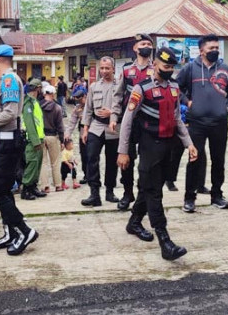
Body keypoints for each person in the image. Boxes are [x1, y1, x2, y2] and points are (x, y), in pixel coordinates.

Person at [117, 47, 198, 261]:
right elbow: (127, 121)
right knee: (155, 192)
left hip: (169, 145)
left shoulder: (174, 87)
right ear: (155, 65)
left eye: (172, 67)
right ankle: (165, 241)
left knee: (149, 187)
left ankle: (134, 222)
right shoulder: (141, 89)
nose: (169, 70)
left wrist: (188, 143)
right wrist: (123, 151)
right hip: (149, 146)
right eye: (165, 67)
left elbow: (177, 118)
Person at [0, 44, 38, 255]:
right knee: (3, 191)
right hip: (2, 141)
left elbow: (10, 113)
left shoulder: (9, 80)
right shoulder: (5, 81)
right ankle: (10, 232)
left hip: (6, 143)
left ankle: (24, 230)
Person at [176, 34, 228, 213]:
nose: (215, 51)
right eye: (211, 49)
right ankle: (189, 197)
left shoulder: (225, 69)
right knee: (194, 158)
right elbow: (176, 87)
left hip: (219, 123)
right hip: (197, 122)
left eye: (217, 48)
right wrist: (187, 101)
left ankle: (217, 195)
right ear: (202, 50)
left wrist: (227, 107)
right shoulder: (190, 68)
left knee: (219, 160)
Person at [112, 33, 154, 211]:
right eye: (143, 44)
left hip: (148, 122)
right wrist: (114, 116)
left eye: (149, 44)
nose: (147, 47)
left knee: (147, 161)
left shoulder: (156, 69)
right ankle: (127, 193)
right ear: (136, 48)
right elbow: (118, 95)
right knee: (126, 158)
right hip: (129, 122)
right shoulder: (127, 70)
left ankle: (143, 193)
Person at [80, 56, 122, 207]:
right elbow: (88, 109)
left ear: (113, 69)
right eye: (102, 68)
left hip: (113, 128)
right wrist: (85, 129)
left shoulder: (120, 86)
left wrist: (112, 113)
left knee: (112, 161)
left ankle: (109, 192)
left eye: (107, 68)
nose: (104, 71)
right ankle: (94, 193)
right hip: (96, 127)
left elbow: (125, 107)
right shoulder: (94, 86)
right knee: (91, 158)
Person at [21, 79, 45, 200]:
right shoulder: (28, 103)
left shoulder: (35, 102)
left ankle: (33, 187)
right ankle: (26, 189)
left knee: (37, 164)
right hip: (31, 140)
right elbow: (29, 123)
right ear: (36, 89)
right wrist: (35, 141)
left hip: (39, 138)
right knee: (32, 164)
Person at [39, 84, 65, 192]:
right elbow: (60, 126)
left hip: (41, 136)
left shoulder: (38, 106)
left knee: (43, 162)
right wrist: (62, 140)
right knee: (55, 162)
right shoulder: (57, 108)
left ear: (44, 93)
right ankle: (58, 185)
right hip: (53, 136)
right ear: (53, 94)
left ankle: (45, 186)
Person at [64, 86, 87, 183]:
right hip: (82, 132)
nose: (79, 102)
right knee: (84, 154)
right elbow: (72, 122)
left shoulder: (92, 105)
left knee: (93, 155)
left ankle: (93, 176)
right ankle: (86, 175)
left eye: (80, 99)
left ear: (85, 96)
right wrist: (67, 133)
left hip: (93, 132)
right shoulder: (77, 108)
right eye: (77, 100)